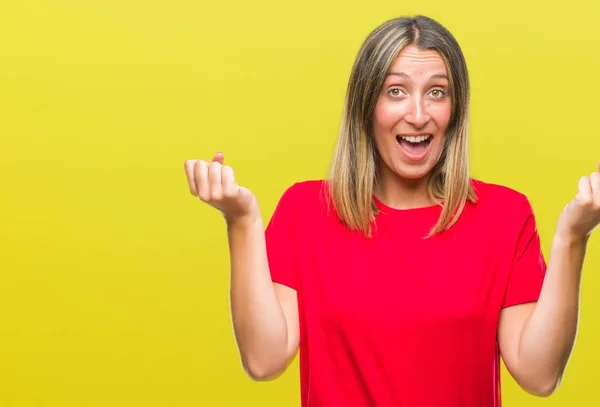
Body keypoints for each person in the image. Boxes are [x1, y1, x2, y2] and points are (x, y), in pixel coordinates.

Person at [184, 15, 600, 407]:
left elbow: (540, 374)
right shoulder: (305, 212)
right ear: (367, 107)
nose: (417, 116)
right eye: (395, 91)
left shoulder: (505, 216)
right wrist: (241, 221)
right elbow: (263, 360)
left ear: (454, 111)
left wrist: (573, 237)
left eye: (436, 92)